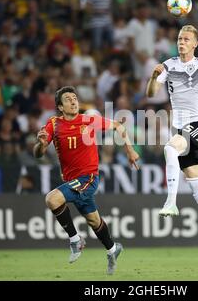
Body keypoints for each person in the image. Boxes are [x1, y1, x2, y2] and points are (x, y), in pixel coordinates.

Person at [33, 86, 139, 275]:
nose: (73, 101)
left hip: (88, 178)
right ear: (60, 106)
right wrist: (40, 145)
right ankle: (113, 249)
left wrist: (130, 151)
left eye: (75, 98)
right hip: (73, 180)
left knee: (52, 199)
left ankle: (75, 240)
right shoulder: (54, 124)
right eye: (68, 99)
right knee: (93, 220)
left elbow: (118, 125)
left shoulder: (88, 120)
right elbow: (38, 154)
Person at [146, 25, 198, 253]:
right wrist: (153, 78)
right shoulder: (169, 65)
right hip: (181, 127)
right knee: (194, 180)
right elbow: (151, 94)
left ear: (194, 44)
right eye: (180, 38)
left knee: (170, 149)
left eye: (186, 39)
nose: (181, 42)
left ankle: (171, 202)